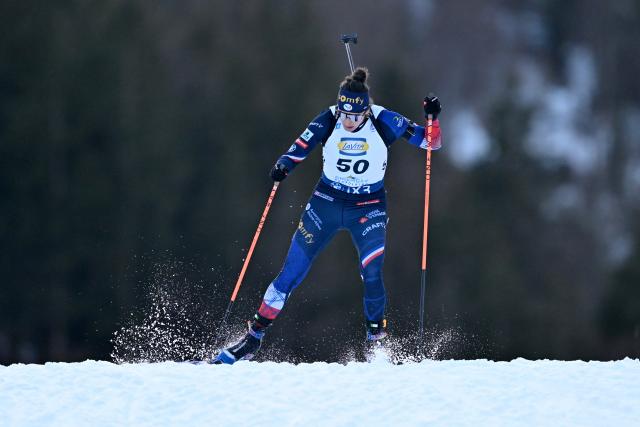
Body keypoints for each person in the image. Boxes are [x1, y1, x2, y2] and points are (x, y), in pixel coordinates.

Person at [214, 67, 442, 364]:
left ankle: (377, 345)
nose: (348, 121)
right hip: (327, 201)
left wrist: (433, 119)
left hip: (368, 206)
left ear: (365, 111)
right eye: (345, 114)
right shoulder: (329, 118)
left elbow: (430, 143)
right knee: (291, 272)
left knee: (372, 272)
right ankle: (252, 338)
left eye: (355, 116)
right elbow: (302, 144)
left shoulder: (384, 119)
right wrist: (284, 164)